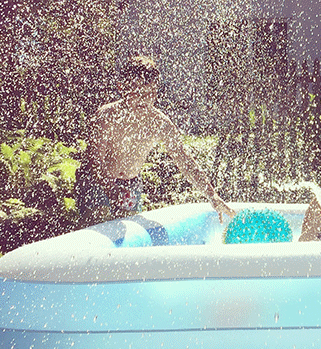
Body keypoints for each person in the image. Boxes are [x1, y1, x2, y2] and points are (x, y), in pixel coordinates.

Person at [75, 55, 235, 224]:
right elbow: (94, 161)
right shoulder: (107, 116)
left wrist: (213, 196)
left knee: (129, 239)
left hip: (130, 185)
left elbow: (184, 160)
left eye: (149, 92)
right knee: (100, 222)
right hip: (97, 181)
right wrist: (111, 189)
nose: (143, 98)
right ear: (121, 87)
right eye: (137, 91)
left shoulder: (159, 122)